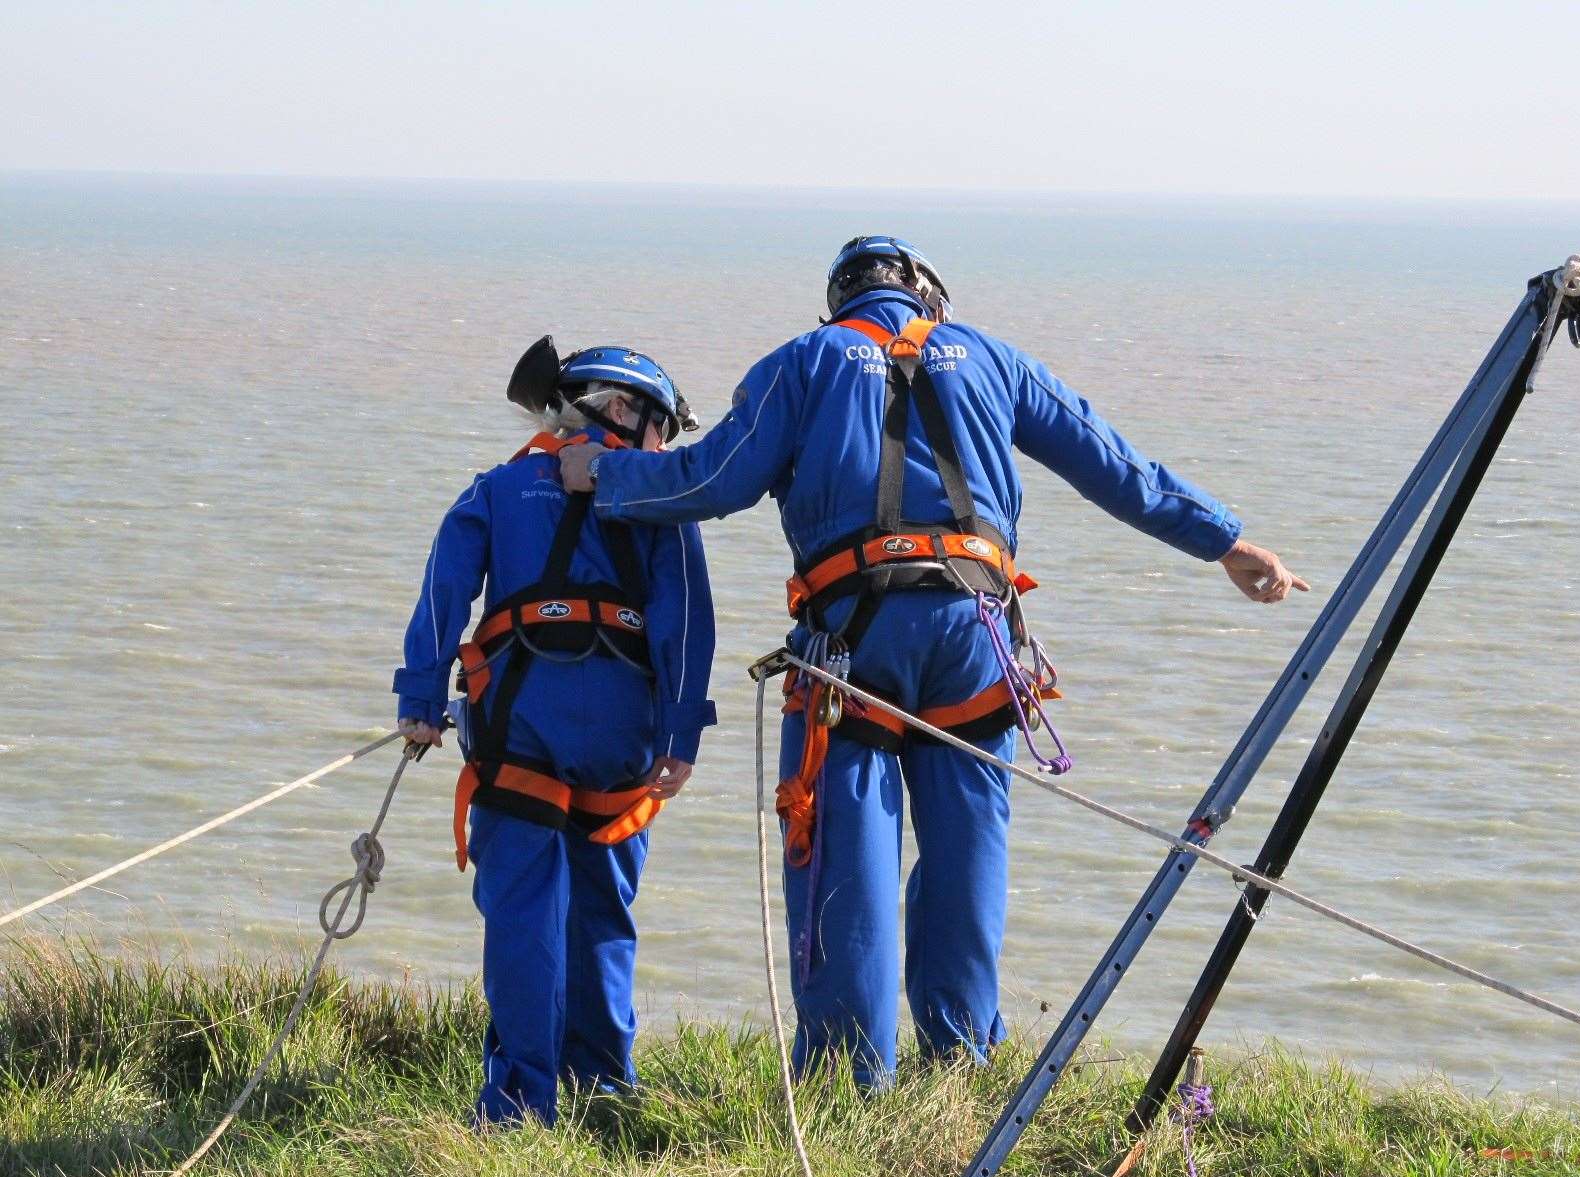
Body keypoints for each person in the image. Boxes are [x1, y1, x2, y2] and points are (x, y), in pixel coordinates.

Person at [557, 237, 1307, 1089]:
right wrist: (1228, 543)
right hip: (978, 641)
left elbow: (712, 478)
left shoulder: (803, 362)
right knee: (966, 866)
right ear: (926, 297)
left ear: (839, 302)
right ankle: (962, 1073)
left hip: (853, 645)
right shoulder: (990, 357)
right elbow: (1114, 464)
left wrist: (604, 476)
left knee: (846, 873)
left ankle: (850, 1086)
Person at [393, 339, 716, 1125]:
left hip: (519, 718)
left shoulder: (500, 486)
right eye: (659, 430)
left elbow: (445, 591)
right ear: (626, 411)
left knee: (523, 914)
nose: (661, 449)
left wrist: (421, 696)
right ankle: (603, 1090)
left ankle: (517, 1104)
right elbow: (686, 618)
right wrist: (682, 732)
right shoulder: (657, 502)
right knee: (604, 909)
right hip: (623, 729)